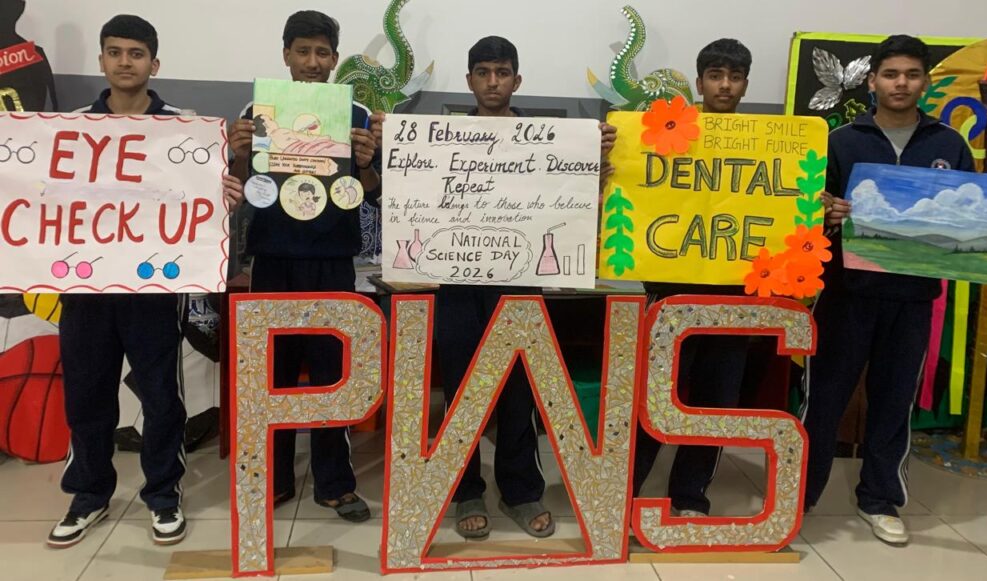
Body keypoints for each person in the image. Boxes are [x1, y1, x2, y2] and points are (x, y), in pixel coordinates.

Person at [400, 36, 617, 541]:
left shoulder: (546, 140)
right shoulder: (440, 139)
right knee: (461, 386)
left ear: (517, 80)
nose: (493, 82)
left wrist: (594, 166)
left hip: (519, 278)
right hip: (457, 280)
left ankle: (520, 491)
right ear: (470, 80)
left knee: (520, 385)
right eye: (483, 72)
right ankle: (465, 491)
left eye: (502, 73)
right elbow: (415, 197)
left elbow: (568, 202)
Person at [48, 14, 243, 549]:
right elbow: (45, 196)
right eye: (115, 52)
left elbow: (203, 200)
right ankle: (88, 494)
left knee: (161, 397)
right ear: (101, 61)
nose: (125, 62)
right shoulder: (68, 129)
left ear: (154, 63)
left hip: (153, 289)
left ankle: (162, 493)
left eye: (136, 54)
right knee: (87, 396)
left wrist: (221, 199)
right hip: (86, 286)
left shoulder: (184, 129)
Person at [802, 34, 974, 545]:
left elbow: (969, 222)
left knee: (894, 402)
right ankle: (798, 496)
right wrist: (826, 213)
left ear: (925, 82)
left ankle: (879, 500)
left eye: (912, 75)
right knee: (822, 399)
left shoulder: (949, 144)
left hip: (913, 298)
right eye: (892, 74)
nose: (902, 83)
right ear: (873, 81)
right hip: (844, 293)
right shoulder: (840, 140)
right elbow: (805, 213)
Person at [227, 10, 381, 522]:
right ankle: (273, 478)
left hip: (333, 260)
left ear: (335, 59)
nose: (312, 62)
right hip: (272, 258)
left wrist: (366, 162)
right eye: (302, 51)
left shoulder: (355, 113)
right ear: (286, 55)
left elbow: (372, 193)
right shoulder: (258, 108)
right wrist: (237, 152)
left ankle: (334, 483)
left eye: (322, 53)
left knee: (333, 371)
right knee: (274, 372)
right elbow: (240, 187)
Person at [630, 38, 755, 519]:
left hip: (734, 296)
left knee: (715, 398)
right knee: (654, 394)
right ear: (699, 82)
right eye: (716, 76)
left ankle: (689, 495)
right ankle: (626, 490)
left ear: (745, 84)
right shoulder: (664, 133)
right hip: (671, 292)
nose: (725, 86)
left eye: (735, 77)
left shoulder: (767, 143)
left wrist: (813, 205)